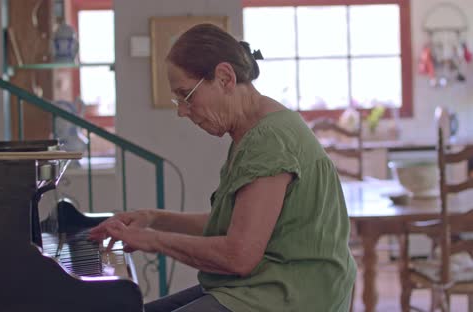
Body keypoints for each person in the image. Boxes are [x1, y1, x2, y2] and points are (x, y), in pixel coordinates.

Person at [89, 23, 356, 312]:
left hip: (297, 295)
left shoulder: (269, 140)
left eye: (186, 96)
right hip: (267, 285)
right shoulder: (255, 131)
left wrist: (150, 240)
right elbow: (236, 225)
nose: (181, 111)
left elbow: (239, 255)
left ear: (225, 78)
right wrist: (153, 218)